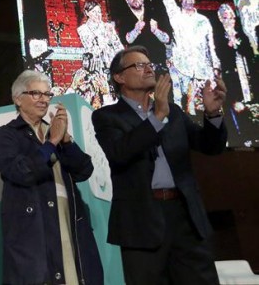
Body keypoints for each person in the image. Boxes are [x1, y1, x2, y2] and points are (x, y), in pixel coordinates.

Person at [92, 46, 227, 285]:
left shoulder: (173, 113)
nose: (148, 69)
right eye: (139, 65)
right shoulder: (107, 117)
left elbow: (209, 146)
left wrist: (213, 113)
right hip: (142, 220)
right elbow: (120, 153)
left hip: (185, 216)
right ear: (120, 77)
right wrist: (156, 118)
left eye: (149, 64)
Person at [0, 70, 103, 285]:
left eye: (47, 94)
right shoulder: (7, 134)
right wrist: (51, 142)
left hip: (67, 215)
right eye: (35, 93)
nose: (43, 99)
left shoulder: (55, 130)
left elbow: (84, 170)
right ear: (18, 99)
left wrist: (67, 141)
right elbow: (21, 172)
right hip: (34, 223)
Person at [163, 0, 221, 115]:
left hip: (204, 72)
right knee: (189, 112)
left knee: (211, 110)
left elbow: (211, 46)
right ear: (179, 0)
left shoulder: (203, 20)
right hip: (184, 71)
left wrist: (215, 67)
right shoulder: (176, 17)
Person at [116, 0, 171, 73]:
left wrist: (156, 31)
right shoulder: (124, 18)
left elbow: (167, 39)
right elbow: (127, 40)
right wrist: (136, 30)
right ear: (126, 0)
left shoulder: (155, 12)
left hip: (159, 65)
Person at [77, 0, 124, 71]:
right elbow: (91, 50)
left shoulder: (108, 26)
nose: (97, 15)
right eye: (94, 12)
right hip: (96, 67)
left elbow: (118, 45)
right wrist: (106, 38)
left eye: (99, 12)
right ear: (87, 13)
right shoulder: (83, 29)